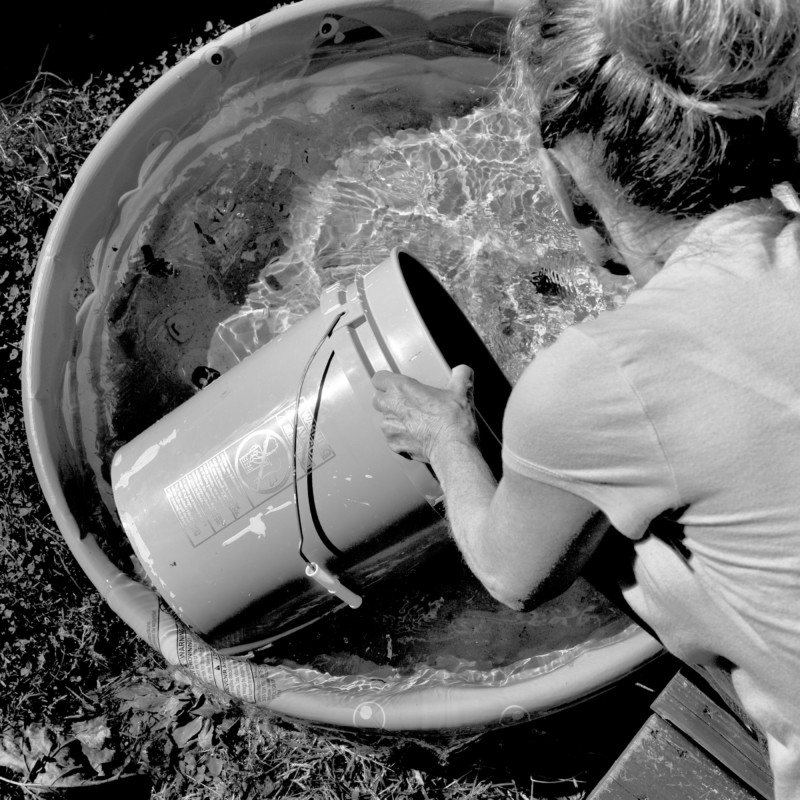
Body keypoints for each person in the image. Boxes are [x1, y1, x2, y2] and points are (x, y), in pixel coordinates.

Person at [371, 1, 800, 796]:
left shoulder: (600, 375)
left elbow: (511, 575)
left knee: (620, 550)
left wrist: (446, 440)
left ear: (569, 184)